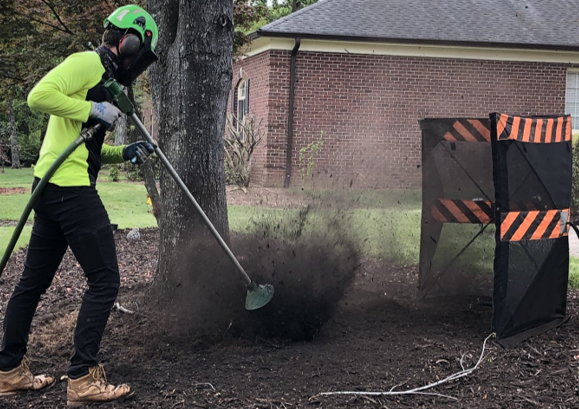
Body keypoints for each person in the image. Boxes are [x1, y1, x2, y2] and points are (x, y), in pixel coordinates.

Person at [0, 5, 159, 406]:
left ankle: (8, 371)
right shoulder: (88, 63)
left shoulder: (104, 79)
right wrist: (92, 109)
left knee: (32, 284)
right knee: (105, 281)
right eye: (140, 56)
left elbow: (84, 147)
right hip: (69, 191)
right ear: (130, 43)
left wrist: (125, 152)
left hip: (52, 188)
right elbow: (37, 96)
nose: (138, 66)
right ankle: (83, 377)